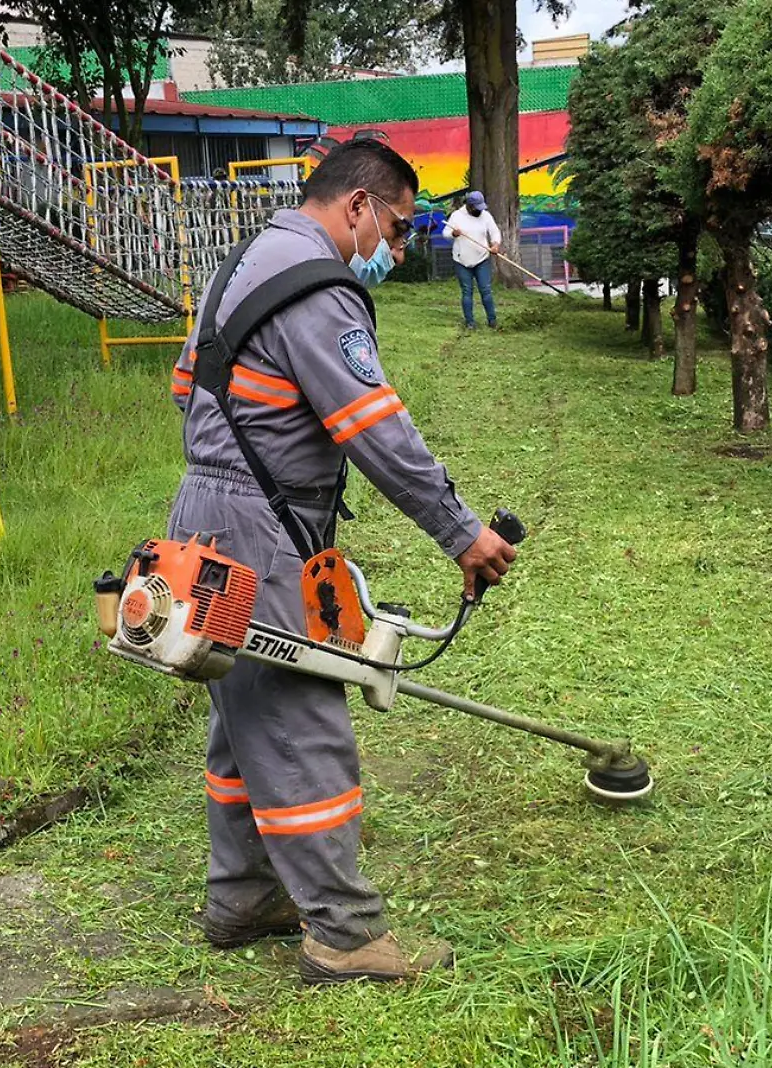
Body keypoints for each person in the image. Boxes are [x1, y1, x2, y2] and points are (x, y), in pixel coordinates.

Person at [165, 140, 517, 983]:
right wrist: (463, 532)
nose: (395, 250)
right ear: (357, 205)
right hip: (262, 528)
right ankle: (346, 935)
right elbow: (376, 432)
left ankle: (243, 895)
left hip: (205, 517)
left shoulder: (246, 260)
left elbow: (188, 384)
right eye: (396, 228)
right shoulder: (320, 290)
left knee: (241, 706)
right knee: (300, 714)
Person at [445, 191, 503, 330]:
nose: (480, 211)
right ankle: (470, 322)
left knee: (486, 290)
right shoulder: (457, 216)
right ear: (469, 206)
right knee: (467, 291)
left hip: (482, 259)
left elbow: (495, 232)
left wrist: (495, 244)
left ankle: (492, 320)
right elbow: (446, 233)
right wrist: (453, 234)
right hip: (461, 261)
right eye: (477, 208)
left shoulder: (486, 216)